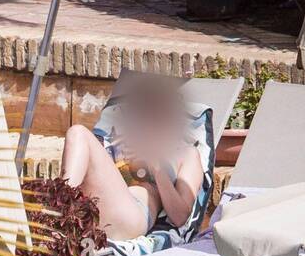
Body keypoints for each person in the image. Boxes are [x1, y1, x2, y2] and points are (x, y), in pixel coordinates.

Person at [60, 75, 203, 241]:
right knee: (78, 136)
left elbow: (180, 216)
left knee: (78, 133)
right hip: (95, 209)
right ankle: (61, 206)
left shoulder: (186, 154)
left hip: (131, 215)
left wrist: (156, 168)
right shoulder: (124, 143)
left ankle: (59, 206)